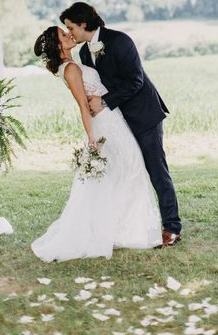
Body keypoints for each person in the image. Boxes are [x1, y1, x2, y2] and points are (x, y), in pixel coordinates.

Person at [31, 26, 162, 262]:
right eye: (63, 34)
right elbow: (82, 105)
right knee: (130, 165)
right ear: (57, 46)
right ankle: (121, 229)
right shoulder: (70, 69)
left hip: (112, 116)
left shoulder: (75, 62)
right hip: (103, 123)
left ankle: (121, 228)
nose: (69, 35)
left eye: (68, 30)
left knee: (125, 168)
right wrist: (91, 138)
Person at [60, 2, 182, 247]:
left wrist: (104, 101)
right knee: (123, 171)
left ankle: (172, 227)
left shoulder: (120, 41)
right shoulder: (84, 53)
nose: (70, 32)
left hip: (143, 115)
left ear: (84, 24)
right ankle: (124, 226)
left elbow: (135, 80)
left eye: (71, 26)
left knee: (156, 171)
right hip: (116, 123)